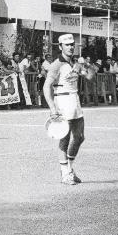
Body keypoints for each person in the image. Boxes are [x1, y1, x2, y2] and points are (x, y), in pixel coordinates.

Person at [43, 34, 95, 185]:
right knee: (64, 140)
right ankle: (65, 174)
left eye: (72, 44)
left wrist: (86, 64)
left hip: (75, 102)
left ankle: (69, 170)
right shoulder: (56, 65)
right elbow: (46, 87)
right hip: (62, 102)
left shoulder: (75, 63)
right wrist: (53, 108)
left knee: (79, 137)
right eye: (67, 45)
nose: (71, 47)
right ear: (60, 47)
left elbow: (91, 76)